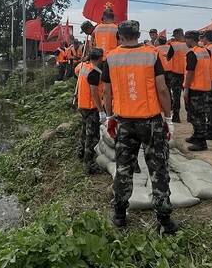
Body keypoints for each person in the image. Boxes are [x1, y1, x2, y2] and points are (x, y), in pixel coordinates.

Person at [102, 20, 177, 234]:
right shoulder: (151, 54)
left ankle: (119, 214)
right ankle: (164, 220)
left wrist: (109, 117)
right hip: (151, 121)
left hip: (124, 121)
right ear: (137, 34)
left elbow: (107, 92)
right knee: (158, 169)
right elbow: (162, 89)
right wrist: (169, 118)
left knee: (124, 168)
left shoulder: (111, 57)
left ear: (120, 36)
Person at [76, 48, 105, 174]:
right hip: (91, 106)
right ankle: (89, 164)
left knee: (84, 131)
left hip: (82, 104)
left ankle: (80, 152)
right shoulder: (95, 71)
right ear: (100, 58)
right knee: (92, 136)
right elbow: (95, 93)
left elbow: (75, 71)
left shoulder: (83, 66)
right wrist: (101, 111)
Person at [182, 30, 212, 151]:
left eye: (186, 39)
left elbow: (190, 72)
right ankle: (196, 136)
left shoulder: (192, 53)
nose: (185, 41)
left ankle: (201, 141)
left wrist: (186, 88)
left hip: (195, 88)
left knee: (197, 115)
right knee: (199, 114)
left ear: (191, 39)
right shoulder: (205, 51)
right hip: (204, 87)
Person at [166, 28, 188, 123]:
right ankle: (190, 115)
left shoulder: (174, 45)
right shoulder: (190, 45)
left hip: (176, 74)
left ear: (178, 35)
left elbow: (168, 57)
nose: (174, 38)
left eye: (175, 36)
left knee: (176, 96)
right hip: (188, 74)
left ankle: (176, 116)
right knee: (188, 96)